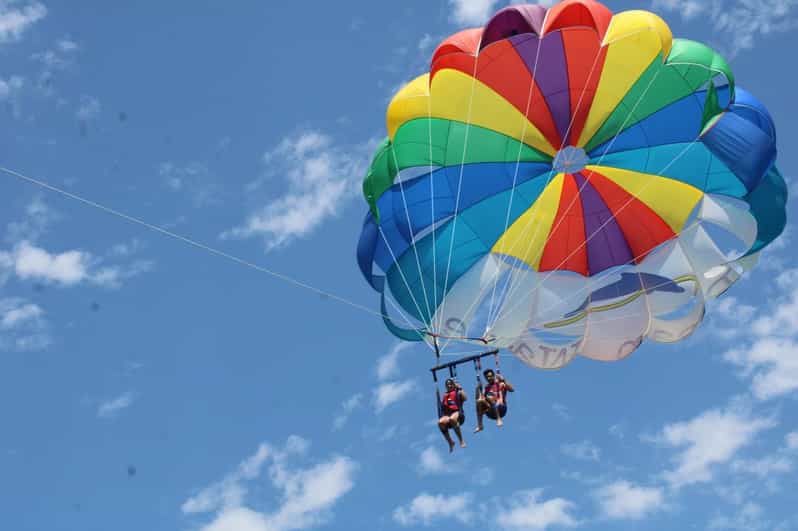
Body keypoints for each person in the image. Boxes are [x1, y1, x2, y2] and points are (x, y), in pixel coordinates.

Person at [474, 368, 514, 433]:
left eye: (490, 376)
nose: (488, 378)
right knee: (479, 401)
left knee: (489, 397)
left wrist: (504, 380)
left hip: (501, 408)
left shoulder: (500, 383)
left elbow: (512, 389)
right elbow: (479, 400)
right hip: (490, 411)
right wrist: (477, 389)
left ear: (494, 376)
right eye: (487, 377)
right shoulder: (486, 388)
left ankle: (499, 419)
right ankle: (480, 425)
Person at [438, 378, 467, 452]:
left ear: (453, 385)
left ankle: (461, 440)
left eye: (451, 384)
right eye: (447, 385)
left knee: (452, 419)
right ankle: (451, 442)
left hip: (457, 413)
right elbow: (443, 407)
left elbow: (465, 398)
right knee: (440, 422)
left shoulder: (457, 392)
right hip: (448, 414)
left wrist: (460, 388)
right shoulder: (445, 395)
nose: (449, 386)